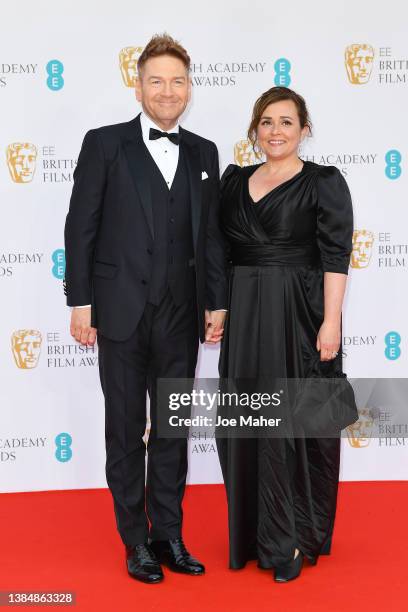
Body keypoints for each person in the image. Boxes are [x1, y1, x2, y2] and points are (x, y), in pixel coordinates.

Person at [64, 33, 228, 584]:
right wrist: (80, 301)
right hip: (119, 311)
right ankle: (134, 539)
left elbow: (210, 238)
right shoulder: (104, 144)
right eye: (156, 81)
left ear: (189, 89)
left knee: (174, 431)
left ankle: (168, 535)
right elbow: (80, 227)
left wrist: (217, 302)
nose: (167, 91)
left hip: (183, 315)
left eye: (177, 81)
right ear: (138, 86)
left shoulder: (205, 152)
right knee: (126, 428)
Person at [217, 86, 353, 582]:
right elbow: (219, 255)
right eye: (267, 122)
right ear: (255, 129)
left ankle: (290, 539)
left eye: (287, 122)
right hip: (246, 316)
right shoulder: (232, 182)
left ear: (304, 129)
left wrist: (331, 321)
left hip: (298, 314)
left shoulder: (323, 183)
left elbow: (336, 256)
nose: (276, 131)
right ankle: (254, 534)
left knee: (291, 428)